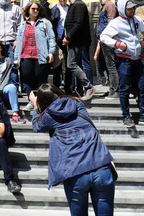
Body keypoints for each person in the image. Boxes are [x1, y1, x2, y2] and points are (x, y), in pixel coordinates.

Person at [31, 83, 115, 215]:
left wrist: (36, 107)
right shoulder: (78, 104)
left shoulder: (48, 117)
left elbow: (36, 126)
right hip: (101, 168)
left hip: (75, 173)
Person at [100, 0, 144, 128]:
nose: (132, 10)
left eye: (133, 8)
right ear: (122, 9)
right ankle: (126, 116)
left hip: (137, 59)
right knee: (125, 89)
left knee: (143, 87)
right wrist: (117, 44)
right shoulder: (116, 23)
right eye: (129, 8)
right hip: (124, 60)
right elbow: (103, 36)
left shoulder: (137, 19)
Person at [14, 0, 56, 110]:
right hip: (25, 55)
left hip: (40, 55)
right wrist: (16, 57)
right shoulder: (23, 24)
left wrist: (51, 52)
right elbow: (19, 41)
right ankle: (31, 101)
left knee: (40, 78)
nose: (36, 11)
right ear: (28, 10)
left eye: (38, 9)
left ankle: (41, 101)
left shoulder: (45, 23)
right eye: (33, 9)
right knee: (28, 79)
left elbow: (51, 38)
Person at [62, 0, 94, 100]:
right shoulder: (75, 5)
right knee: (77, 64)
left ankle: (88, 86)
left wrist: (68, 36)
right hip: (74, 41)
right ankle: (81, 90)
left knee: (71, 64)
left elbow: (78, 23)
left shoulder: (79, 5)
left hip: (76, 41)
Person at [95, 0, 119, 99]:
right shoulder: (105, 6)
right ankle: (111, 88)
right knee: (107, 65)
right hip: (104, 40)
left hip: (108, 40)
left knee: (111, 65)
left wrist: (105, 36)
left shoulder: (110, 5)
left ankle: (115, 90)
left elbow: (111, 22)